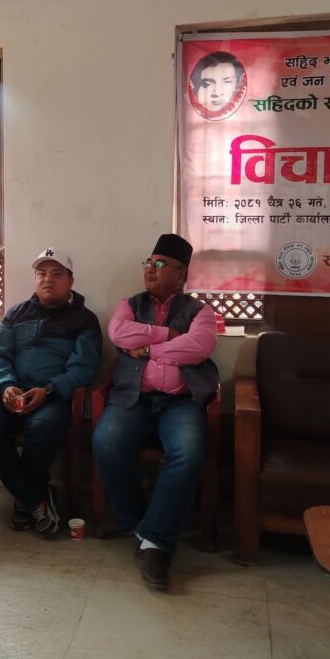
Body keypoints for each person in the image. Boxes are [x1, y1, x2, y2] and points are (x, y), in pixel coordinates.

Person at [92, 233, 218, 591]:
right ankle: (142, 527)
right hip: (134, 397)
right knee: (106, 442)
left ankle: (155, 543)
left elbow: (199, 346)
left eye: (159, 264)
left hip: (181, 401)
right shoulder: (129, 304)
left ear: (180, 275)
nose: (150, 269)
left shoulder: (201, 311)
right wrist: (167, 335)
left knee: (189, 452)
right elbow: (119, 334)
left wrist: (149, 349)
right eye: (148, 263)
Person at [0, 248, 102, 537]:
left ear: (70, 281)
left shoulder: (85, 320)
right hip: (11, 392)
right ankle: (34, 497)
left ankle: (24, 500)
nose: (47, 279)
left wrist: (49, 390)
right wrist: (5, 386)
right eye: (41, 273)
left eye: (57, 274)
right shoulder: (16, 314)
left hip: (52, 397)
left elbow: (84, 368)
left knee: (41, 428)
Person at [188, 51, 246, 120]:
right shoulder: (189, 117)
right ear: (194, 86)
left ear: (238, 84)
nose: (217, 93)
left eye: (227, 82)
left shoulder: (244, 115)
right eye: (207, 84)